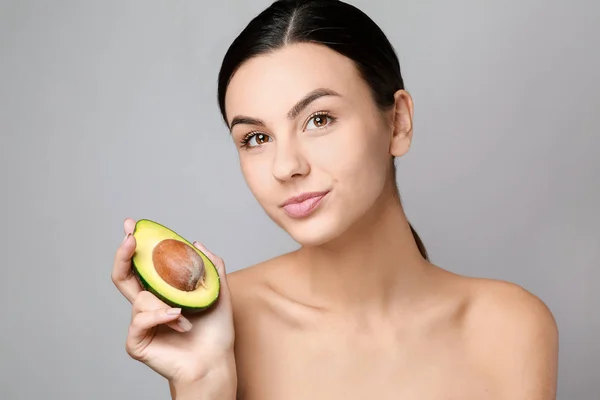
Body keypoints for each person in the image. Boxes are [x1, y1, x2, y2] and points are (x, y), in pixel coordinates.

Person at [111, 0, 559, 399]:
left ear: (398, 122)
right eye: (256, 138)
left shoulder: (510, 327)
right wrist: (204, 384)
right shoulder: (220, 326)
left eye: (318, 119)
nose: (286, 166)